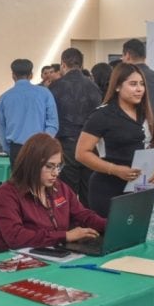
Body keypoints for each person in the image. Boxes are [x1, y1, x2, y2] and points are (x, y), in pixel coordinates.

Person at [0, 133, 106, 252]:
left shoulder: (60, 187)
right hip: (13, 260)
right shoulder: (6, 193)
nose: (55, 173)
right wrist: (65, 236)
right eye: (49, 166)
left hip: (51, 254)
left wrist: (112, 226)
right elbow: (15, 237)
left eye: (58, 166)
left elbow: (84, 215)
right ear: (32, 163)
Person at [76, 63, 154, 217]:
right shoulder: (102, 115)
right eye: (133, 84)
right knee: (113, 237)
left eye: (141, 84)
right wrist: (115, 169)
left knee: (139, 235)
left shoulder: (144, 112)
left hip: (139, 185)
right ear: (118, 87)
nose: (139, 89)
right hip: (108, 187)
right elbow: (81, 153)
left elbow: (147, 145)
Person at [50, 48, 101, 207]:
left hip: (65, 145)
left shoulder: (55, 87)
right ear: (81, 64)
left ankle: (69, 225)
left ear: (63, 64)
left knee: (67, 190)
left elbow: (51, 118)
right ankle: (90, 224)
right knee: (89, 189)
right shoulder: (93, 87)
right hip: (90, 144)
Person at [0, 58, 59, 169]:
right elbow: (53, 124)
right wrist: (44, 143)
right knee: (38, 184)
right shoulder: (45, 93)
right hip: (39, 147)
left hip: (16, 149)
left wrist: (8, 149)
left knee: (18, 185)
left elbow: (1, 127)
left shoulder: (4, 98)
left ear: (13, 75)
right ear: (31, 75)